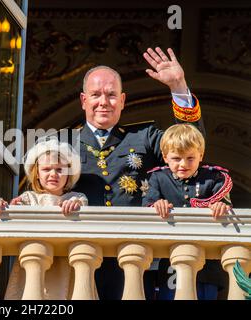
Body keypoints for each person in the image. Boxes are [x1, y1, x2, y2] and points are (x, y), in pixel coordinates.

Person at [72, 47, 205, 299]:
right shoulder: (61, 143)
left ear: (122, 100)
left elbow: (190, 144)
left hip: (135, 257)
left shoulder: (143, 137)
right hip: (80, 257)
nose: (103, 101)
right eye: (96, 94)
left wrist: (178, 86)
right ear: (83, 100)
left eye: (111, 95)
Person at [0, 137, 88, 299]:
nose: (53, 174)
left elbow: (84, 213)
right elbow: (12, 213)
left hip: (65, 265)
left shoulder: (77, 198)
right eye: (47, 169)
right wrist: (0, 204)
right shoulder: (29, 198)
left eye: (59, 169)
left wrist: (75, 205)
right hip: (32, 261)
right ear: (37, 174)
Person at [143, 123, 231, 300]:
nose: (183, 164)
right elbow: (147, 204)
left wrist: (220, 206)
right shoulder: (157, 178)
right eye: (176, 158)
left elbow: (224, 205)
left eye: (190, 158)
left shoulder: (214, 178)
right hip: (170, 262)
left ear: (201, 155)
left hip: (207, 266)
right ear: (165, 157)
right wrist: (156, 205)